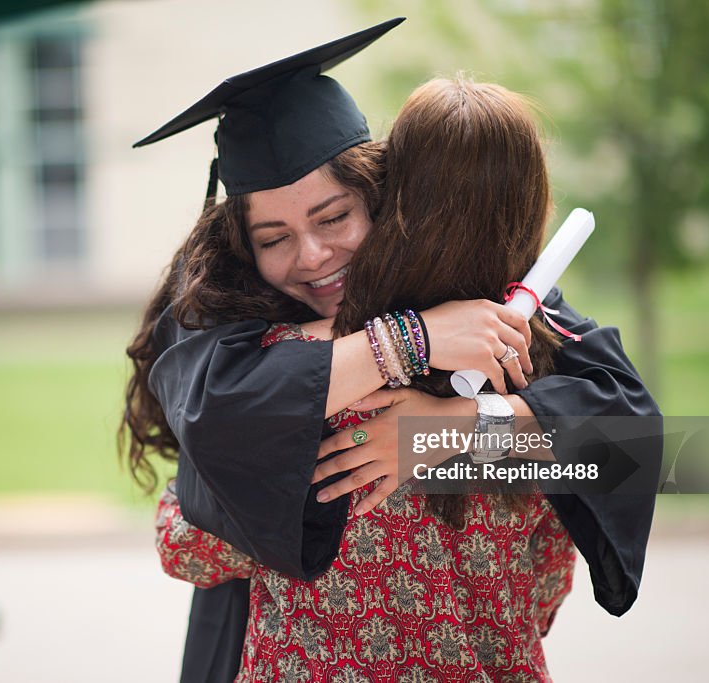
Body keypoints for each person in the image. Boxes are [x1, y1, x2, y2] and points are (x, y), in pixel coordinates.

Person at [126, 17, 660, 682]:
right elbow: (561, 546)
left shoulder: (498, 315)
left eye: (334, 216)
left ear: (381, 196)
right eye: (273, 238)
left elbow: (185, 536)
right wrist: (415, 342)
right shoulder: (224, 315)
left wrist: (450, 431)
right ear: (240, 247)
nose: (313, 256)